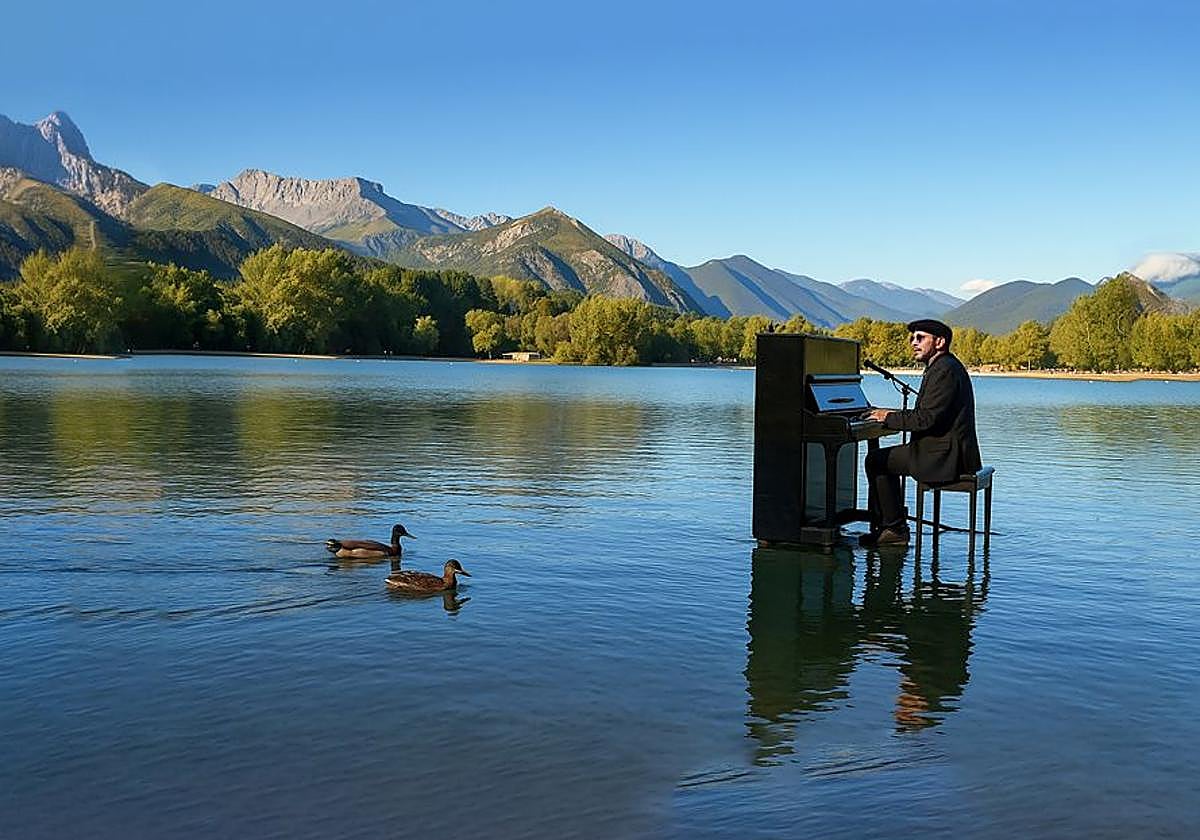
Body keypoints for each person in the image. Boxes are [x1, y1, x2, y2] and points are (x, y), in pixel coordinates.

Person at [860, 319, 981, 547]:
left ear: (940, 342)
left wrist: (887, 417)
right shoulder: (944, 366)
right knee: (882, 459)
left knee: (876, 461)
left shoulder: (944, 370)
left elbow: (926, 419)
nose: (913, 343)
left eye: (920, 338)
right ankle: (890, 522)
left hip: (945, 456)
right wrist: (888, 415)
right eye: (912, 339)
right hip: (946, 449)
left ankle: (894, 528)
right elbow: (928, 414)